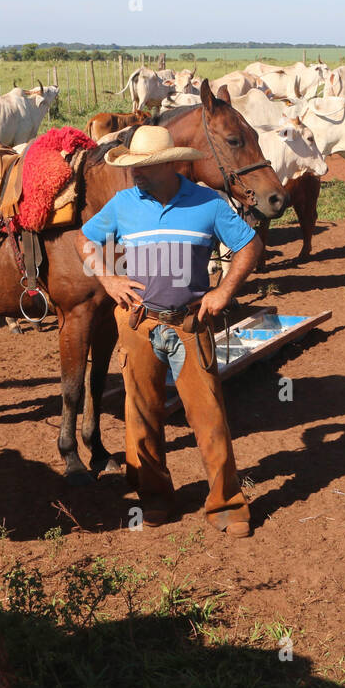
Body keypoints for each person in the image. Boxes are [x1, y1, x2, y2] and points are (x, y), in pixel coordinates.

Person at [77, 126, 263, 538]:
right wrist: (109, 280)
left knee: (209, 415)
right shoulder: (123, 204)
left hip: (190, 324)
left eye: (143, 167)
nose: (135, 174)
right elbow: (85, 240)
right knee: (141, 416)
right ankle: (154, 497)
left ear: (169, 165)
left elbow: (249, 245)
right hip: (138, 323)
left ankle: (227, 504)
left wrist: (223, 291)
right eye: (132, 167)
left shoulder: (208, 203)